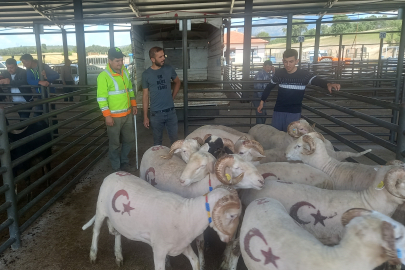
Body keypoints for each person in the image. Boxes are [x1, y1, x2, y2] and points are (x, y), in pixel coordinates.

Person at [257, 49, 341, 132]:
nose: (288, 64)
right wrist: (262, 101)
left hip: (294, 113)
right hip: (278, 111)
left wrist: (328, 84)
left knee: (291, 137)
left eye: (291, 61)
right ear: (282, 61)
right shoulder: (279, 73)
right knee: (276, 136)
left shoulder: (303, 75)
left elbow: (316, 80)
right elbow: (269, 87)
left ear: (297, 61)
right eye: (285, 61)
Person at [97, 47, 137, 172]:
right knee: (114, 143)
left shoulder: (124, 72)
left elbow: (130, 89)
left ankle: (124, 161)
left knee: (129, 140)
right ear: (109, 60)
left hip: (127, 114)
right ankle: (116, 166)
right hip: (113, 116)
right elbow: (101, 98)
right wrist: (107, 115)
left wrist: (134, 104)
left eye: (121, 60)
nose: (120, 63)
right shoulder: (103, 76)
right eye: (117, 61)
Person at [142, 46, 181, 146]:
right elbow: (145, 96)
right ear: (153, 59)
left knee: (175, 142)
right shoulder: (146, 74)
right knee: (157, 143)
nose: (163, 58)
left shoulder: (169, 69)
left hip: (171, 112)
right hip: (156, 114)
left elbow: (177, 82)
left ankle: (176, 161)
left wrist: (172, 97)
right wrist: (145, 116)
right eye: (160, 57)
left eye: (163, 55)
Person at [253, 60, 275, 124]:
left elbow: (272, 81)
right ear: (264, 66)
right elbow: (258, 87)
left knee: (263, 113)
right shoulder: (260, 74)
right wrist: (262, 99)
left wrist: (274, 72)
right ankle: (259, 129)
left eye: (270, 67)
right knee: (260, 113)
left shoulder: (266, 74)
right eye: (267, 67)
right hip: (258, 96)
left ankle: (260, 128)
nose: (269, 69)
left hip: (262, 96)